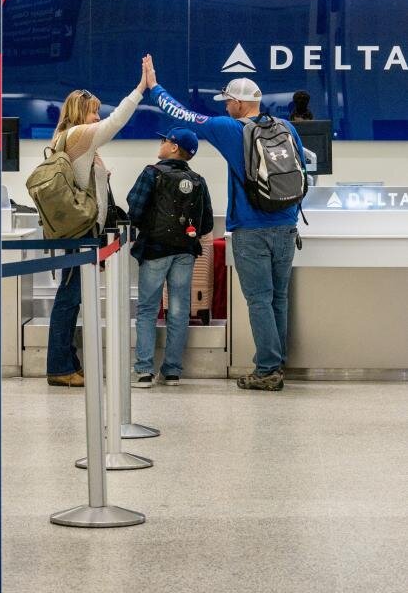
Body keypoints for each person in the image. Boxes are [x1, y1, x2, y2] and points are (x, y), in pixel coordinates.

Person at [143, 55, 303, 392]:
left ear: (241, 103)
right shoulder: (287, 128)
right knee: (278, 298)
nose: (226, 106)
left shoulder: (230, 129)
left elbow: (182, 115)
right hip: (287, 226)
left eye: (228, 101)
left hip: (251, 229)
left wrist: (154, 88)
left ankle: (267, 369)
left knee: (259, 299)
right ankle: (277, 361)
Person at [46, 67, 147, 387]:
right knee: (68, 297)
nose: (97, 118)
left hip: (83, 233)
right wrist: (141, 88)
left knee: (72, 296)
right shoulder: (78, 136)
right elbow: (116, 121)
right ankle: (59, 367)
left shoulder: (72, 140)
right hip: (79, 234)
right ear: (81, 113)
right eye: (93, 113)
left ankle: (67, 363)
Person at [127, 127, 213, 388]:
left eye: (164, 140)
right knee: (178, 311)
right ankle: (173, 371)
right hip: (185, 251)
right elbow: (206, 221)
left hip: (154, 249)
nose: (161, 143)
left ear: (174, 147)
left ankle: (143, 370)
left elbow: (135, 208)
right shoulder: (198, 180)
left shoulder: (152, 173)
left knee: (147, 309)